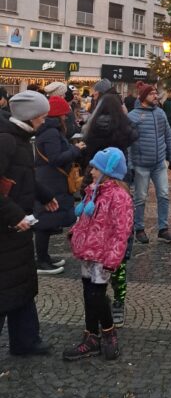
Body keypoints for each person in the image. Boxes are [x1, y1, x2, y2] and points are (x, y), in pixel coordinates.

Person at [0, 91, 59, 356]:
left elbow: (22, 176)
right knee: (6, 287)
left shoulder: (22, 139)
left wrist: (44, 195)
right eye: (43, 115)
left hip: (17, 225)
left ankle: (25, 341)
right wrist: (15, 216)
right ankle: (25, 340)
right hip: (8, 226)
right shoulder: (7, 141)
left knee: (21, 284)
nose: (45, 120)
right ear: (30, 116)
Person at [62, 148, 133, 361]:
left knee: (97, 295)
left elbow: (122, 231)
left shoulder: (119, 197)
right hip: (88, 252)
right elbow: (85, 220)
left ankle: (109, 333)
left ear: (107, 171)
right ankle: (91, 336)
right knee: (88, 294)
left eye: (95, 168)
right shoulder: (94, 191)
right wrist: (75, 235)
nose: (91, 171)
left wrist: (113, 258)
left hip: (103, 256)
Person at [33, 96, 86, 273]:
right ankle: (41, 261)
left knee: (48, 221)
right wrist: (75, 149)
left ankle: (44, 257)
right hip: (50, 180)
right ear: (58, 115)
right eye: (64, 114)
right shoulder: (51, 133)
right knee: (44, 222)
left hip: (52, 179)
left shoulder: (50, 131)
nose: (66, 117)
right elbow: (55, 159)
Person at [127, 84, 171, 244]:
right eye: (152, 94)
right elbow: (128, 143)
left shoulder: (160, 113)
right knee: (140, 198)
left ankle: (163, 228)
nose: (156, 96)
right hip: (141, 164)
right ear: (143, 98)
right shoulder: (133, 116)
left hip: (159, 163)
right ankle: (139, 228)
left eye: (156, 93)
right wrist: (130, 165)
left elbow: (168, 135)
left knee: (163, 195)